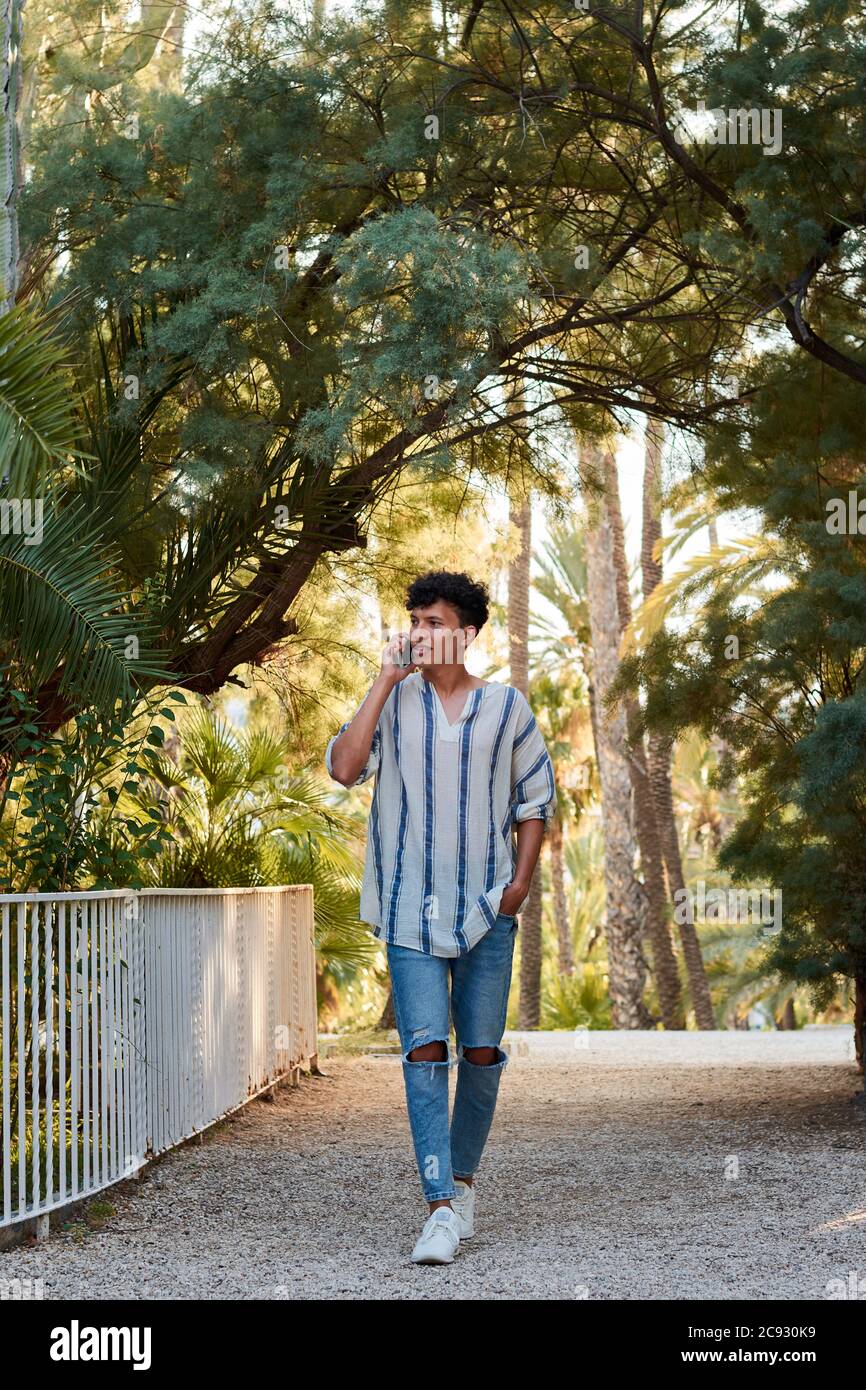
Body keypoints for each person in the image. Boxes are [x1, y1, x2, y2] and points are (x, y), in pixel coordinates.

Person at [325, 570, 557, 1264]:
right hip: (408, 912)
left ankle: (461, 1182)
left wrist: (518, 885)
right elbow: (343, 768)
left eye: (433, 621)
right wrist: (382, 683)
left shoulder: (507, 708)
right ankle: (439, 1208)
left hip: (488, 911)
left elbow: (534, 802)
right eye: (415, 620)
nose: (420, 632)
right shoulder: (393, 704)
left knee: (480, 1053)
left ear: (468, 631)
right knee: (425, 1052)